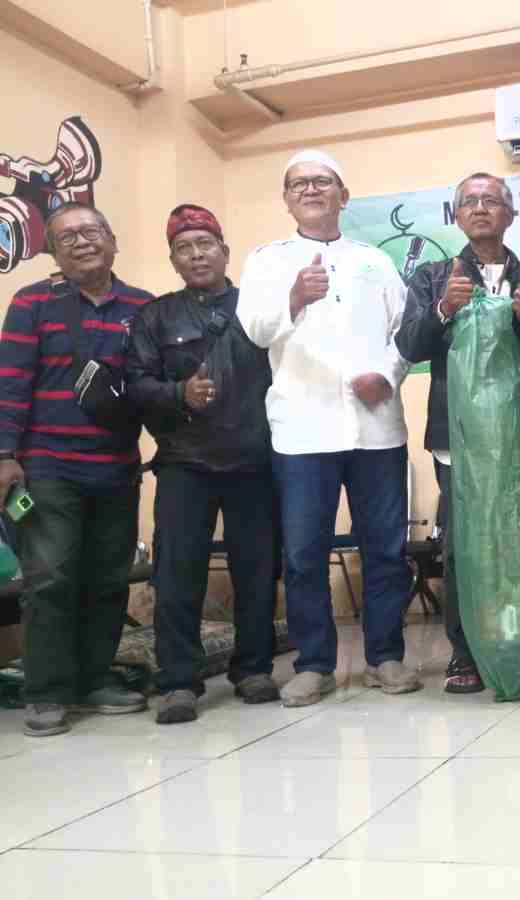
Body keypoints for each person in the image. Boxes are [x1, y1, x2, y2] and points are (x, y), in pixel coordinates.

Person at [237, 150, 416, 707]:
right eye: (298, 184)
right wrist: (293, 298)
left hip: (376, 429)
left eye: (321, 181)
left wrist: (387, 376)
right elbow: (254, 331)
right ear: (286, 199)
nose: (310, 190)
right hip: (302, 431)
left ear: (344, 194)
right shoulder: (267, 261)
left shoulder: (374, 262)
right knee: (303, 554)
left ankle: (385, 657)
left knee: (385, 550)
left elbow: (405, 332)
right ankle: (314, 664)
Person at [396, 171, 520, 694]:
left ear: (509, 214)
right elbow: (410, 344)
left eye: (490, 200)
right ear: (457, 216)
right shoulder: (432, 277)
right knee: (465, 545)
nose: (479, 208)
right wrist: (444, 308)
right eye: (469, 201)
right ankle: (465, 650)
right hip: (460, 438)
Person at [0, 201, 151, 736]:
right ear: (53, 252)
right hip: (48, 465)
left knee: (108, 578)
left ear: (112, 240)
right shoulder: (32, 303)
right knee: (51, 578)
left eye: (91, 231)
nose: (82, 241)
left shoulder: (143, 306)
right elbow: (11, 383)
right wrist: (4, 456)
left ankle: (95, 679)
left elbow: (151, 386)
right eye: (67, 237)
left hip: (117, 465)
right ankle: (46, 692)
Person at [126, 204, 280, 724]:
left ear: (224, 251)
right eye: (183, 248)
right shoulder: (154, 317)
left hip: (254, 460)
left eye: (204, 244)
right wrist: (179, 394)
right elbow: (136, 386)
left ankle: (254, 669)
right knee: (176, 574)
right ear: (173, 260)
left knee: (257, 571)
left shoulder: (257, 307)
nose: (196, 254)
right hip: (184, 462)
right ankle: (178, 682)